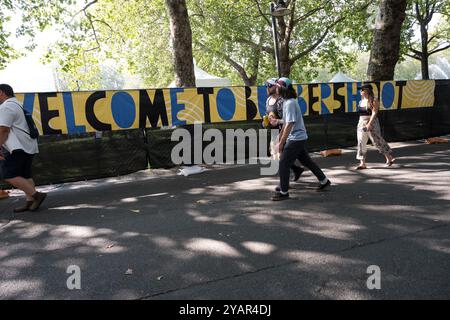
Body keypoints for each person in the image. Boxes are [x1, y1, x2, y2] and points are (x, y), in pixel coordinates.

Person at [271, 78, 331, 201]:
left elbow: (289, 124)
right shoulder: (288, 102)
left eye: (277, 86)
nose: (275, 88)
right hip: (298, 137)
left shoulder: (290, 103)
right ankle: (324, 180)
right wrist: (278, 122)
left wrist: (281, 143)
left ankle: (284, 192)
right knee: (307, 161)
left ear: (282, 88)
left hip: (296, 138)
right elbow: (286, 122)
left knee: (283, 163)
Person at [0, 84, 47, 212]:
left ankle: (37, 196)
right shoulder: (18, 104)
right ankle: (30, 201)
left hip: (17, 147)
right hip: (28, 145)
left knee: (9, 174)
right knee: (25, 175)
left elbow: (4, 129)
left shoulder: (6, 107)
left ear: (1, 92)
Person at [262, 78, 304, 182]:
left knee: (281, 157)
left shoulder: (282, 100)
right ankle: (296, 170)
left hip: (283, 132)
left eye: (269, 86)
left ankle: (285, 182)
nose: (267, 88)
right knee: (277, 156)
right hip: (274, 131)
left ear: (276, 87)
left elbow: (287, 119)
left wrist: (278, 123)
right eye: (267, 86)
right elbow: (269, 115)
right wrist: (266, 121)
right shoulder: (268, 100)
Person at [356, 84, 395, 170]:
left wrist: (369, 124)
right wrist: (360, 125)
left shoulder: (374, 100)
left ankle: (389, 157)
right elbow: (361, 115)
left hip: (372, 122)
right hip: (361, 122)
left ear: (367, 90)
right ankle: (362, 163)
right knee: (361, 141)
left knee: (377, 140)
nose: (360, 91)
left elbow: (374, 113)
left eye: (362, 90)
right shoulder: (361, 101)